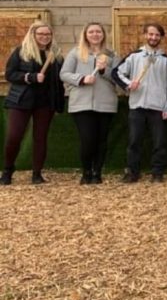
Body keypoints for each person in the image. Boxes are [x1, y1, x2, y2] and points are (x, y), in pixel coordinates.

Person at [1, 21, 64, 185]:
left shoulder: (55, 56)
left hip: (44, 103)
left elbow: (59, 81)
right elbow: (10, 74)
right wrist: (30, 77)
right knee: (14, 136)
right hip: (21, 100)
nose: (45, 37)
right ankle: (7, 170)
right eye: (41, 34)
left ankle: (37, 173)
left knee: (40, 138)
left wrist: (58, 102)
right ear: (33, 34)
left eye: (48, 34)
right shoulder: (21, 52)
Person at [112, 23, 167, 183]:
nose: (153, 37)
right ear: (145, 35)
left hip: (158, 108)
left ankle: (157, 172)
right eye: (151, 34)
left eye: (157, 35)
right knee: (134, 141)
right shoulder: (134, 56)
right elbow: (116, 73)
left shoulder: (166, 60)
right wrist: (128, 83)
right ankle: (132, 172)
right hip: (137, 106)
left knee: (159, 142)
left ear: (161, 38)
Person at [60, 22, 119, 185]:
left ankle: (97, 172)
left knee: (101, 140)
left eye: (98, 32)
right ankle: (86, 171)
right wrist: (82, 79)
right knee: (88, 139)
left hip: (105, 103)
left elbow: (117, 77)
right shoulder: (76, 53)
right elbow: (64, 74)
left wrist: (102, 71)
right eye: (91, 32)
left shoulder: (111, 54)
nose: (95, 34)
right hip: (81, 103)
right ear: (85, 35)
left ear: (103, 34)